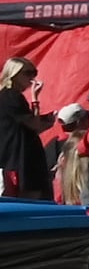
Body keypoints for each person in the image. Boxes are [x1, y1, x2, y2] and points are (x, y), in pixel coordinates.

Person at [0, 56, 45, 199]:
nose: (31, 77)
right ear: (14, 74)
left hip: (10, 156)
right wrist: (35, 98)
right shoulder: (12, 95)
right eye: (27, 73)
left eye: (34, 73)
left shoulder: (6, 95)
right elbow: (34, 125)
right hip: (20, 157)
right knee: (29, 200)